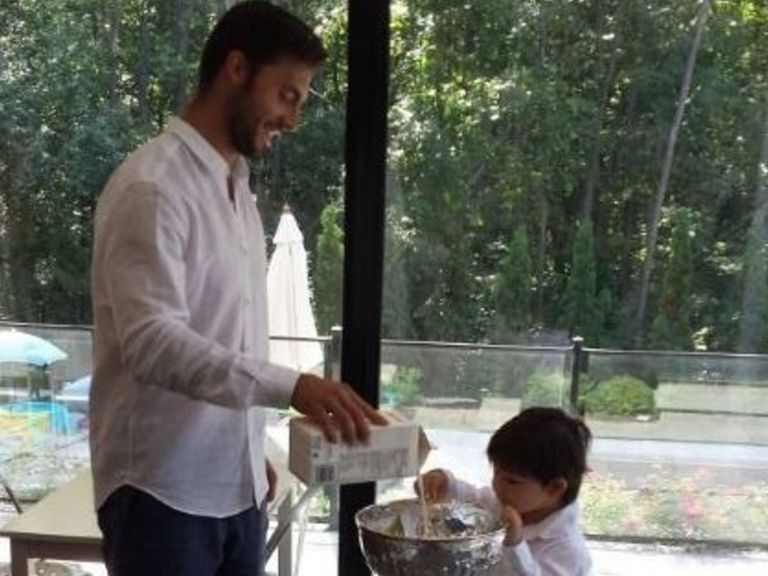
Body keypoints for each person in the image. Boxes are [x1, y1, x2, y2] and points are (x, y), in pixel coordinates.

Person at [89, 2, 386, 575]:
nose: (293, 118)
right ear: (237, 69)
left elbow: (228, 337)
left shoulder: (235, 186)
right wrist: (294, 386)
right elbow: (152, 342)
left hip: (234, 490)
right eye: (288, 95)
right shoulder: (152, 187)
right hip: (160, 494)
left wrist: (248, 456)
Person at [417, 407, 593, 576]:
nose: (497, 485)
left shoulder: (569, 552)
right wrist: (446, 484)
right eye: (496, 472)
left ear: (554, 488)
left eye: (512, 481)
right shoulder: (505, 503)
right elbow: (475, 498)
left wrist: (516, 545)